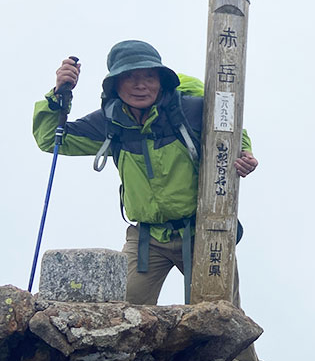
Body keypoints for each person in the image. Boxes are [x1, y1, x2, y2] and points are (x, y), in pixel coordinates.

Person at [32, 40, 258, 305]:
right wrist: (59, 95)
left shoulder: (190, 110)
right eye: (130, 77)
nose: (141, 85)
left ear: (161, 80)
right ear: (115, 84)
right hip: (146, 239)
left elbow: (230, 129)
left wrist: (244, 155)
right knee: (119, 315)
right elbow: (51, 140)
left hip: (203, 231)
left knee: (223, 320)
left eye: (149, 76)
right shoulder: (110, 123)